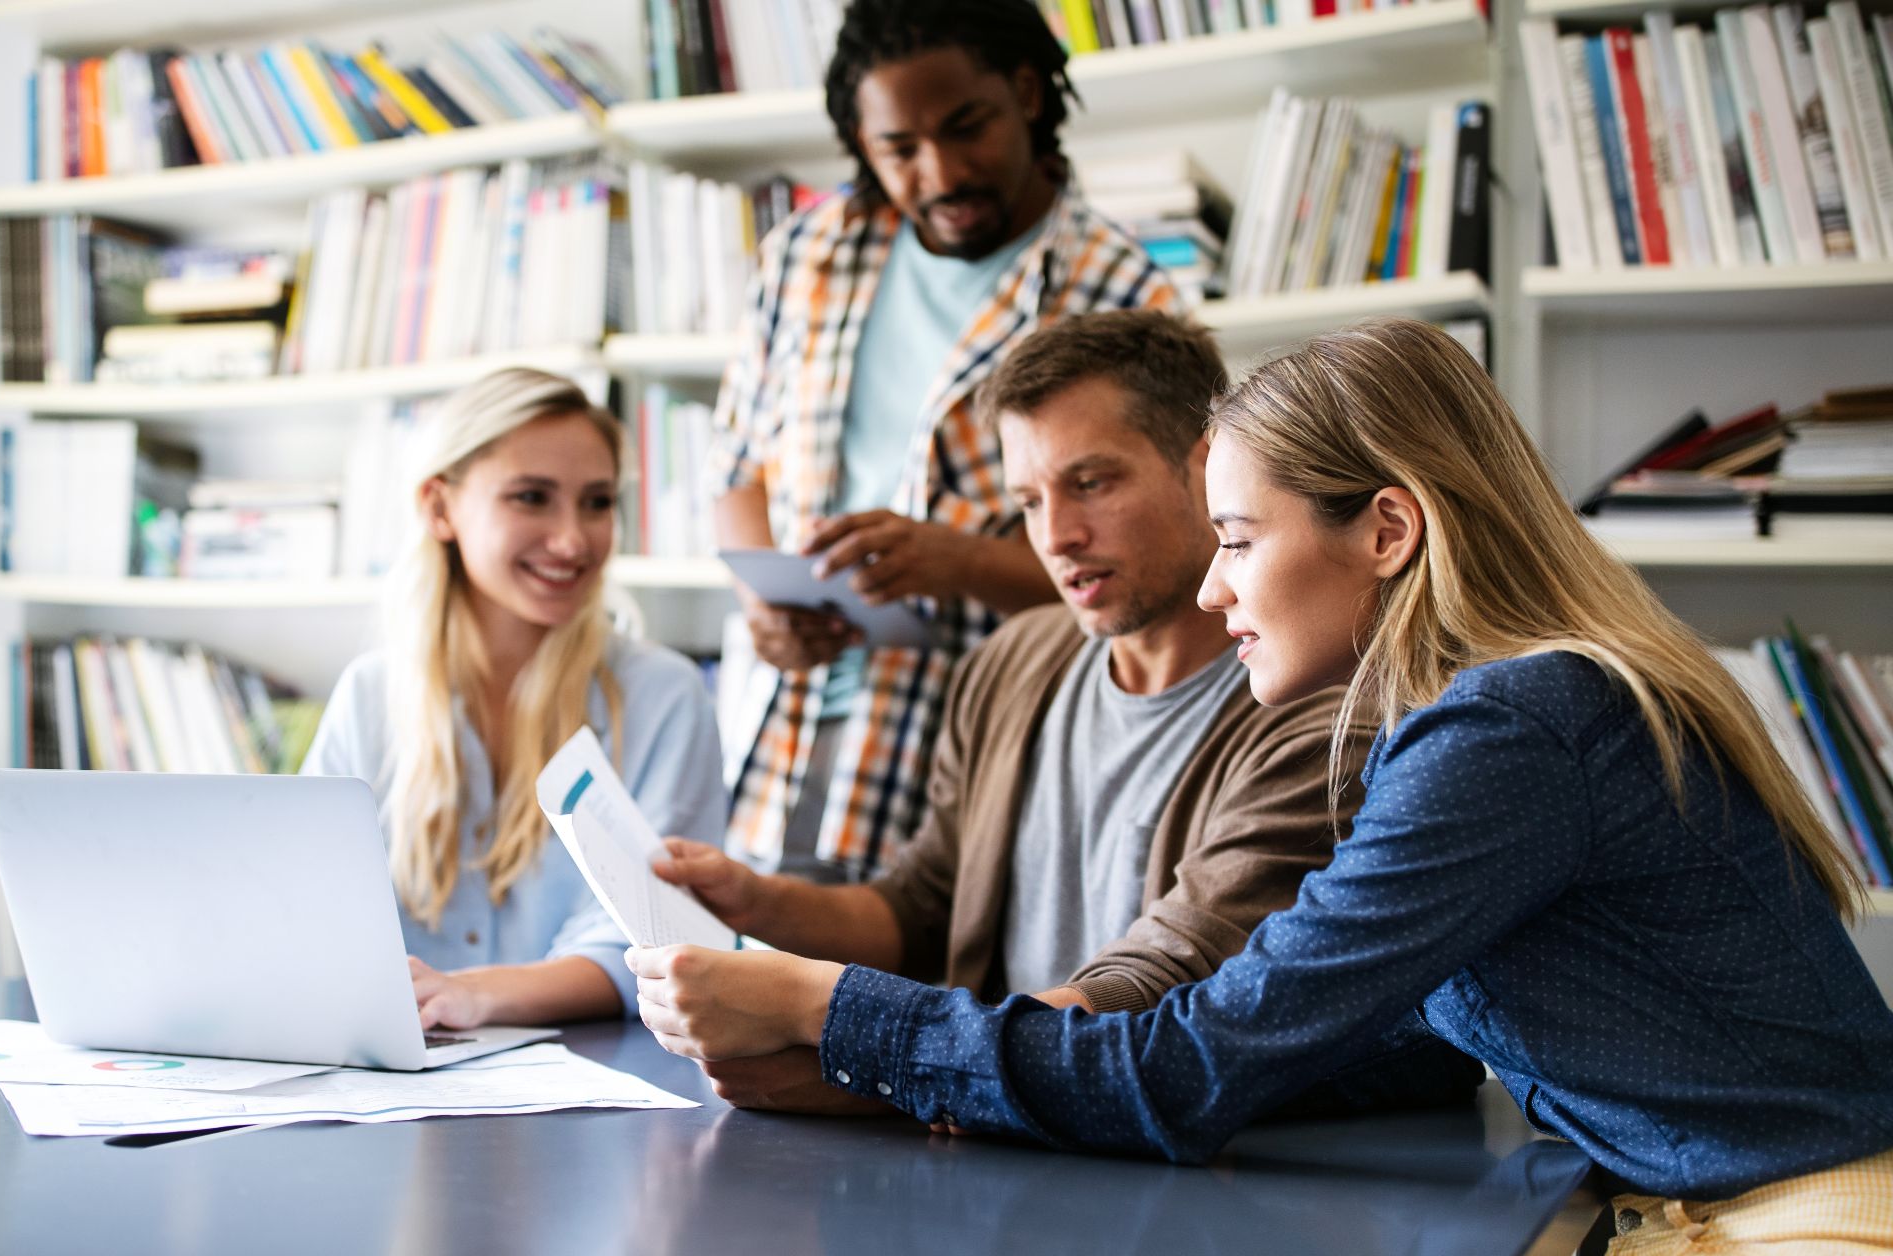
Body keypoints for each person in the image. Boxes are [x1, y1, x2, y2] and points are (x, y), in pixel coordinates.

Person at [632, 320, 1893, 1253]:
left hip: (1800, 1228)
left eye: (1237, 540)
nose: (1212, 587)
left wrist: (834, 1008)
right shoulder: (1498, 717)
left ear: (1388, 533)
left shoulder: (1512, 731)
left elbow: (1190, 1067)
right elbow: (1356, 1046)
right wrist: (904, 1075)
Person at [656, 311, 1476, 1113]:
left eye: (1091, 483)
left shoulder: (1330, 712)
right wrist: (753, 903)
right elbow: (919, 906)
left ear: (1209, 467)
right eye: (1029, 501)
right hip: (992, 1136)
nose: (1057, 536)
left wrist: (861, 1054)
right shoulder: (1012, 662)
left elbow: (1164, 995)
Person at [713, 0, 1183, 883]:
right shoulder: (806, 255)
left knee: (923, 988)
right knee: (757, 976)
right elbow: (736, 464)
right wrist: (759, 602)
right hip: (790, 716)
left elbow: (1160, 564)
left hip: (987, 728)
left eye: (968, 129)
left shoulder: (1121, 293)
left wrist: (954, 561)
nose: (941, 172)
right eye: (900, 150)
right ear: (862, 141)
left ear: (1026, 92)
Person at [303, 368, 725, 1031]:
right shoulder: (370, 694)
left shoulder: (664, 697)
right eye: (532, 497)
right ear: (439, 508)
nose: (573, 540)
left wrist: (475, 993)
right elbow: (309, 905)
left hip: (603, 1085)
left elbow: (653, 939)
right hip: (395, 1077)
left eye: (597, 502)